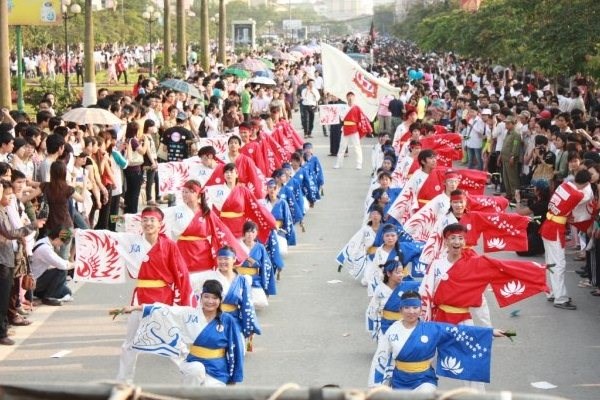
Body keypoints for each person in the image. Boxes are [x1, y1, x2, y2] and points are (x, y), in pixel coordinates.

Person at [368, 291, 507, 391]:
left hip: (424, 380)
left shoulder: (432, 328)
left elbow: (459, 331)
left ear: (421, 309)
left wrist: (489, 333)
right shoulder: (392, 330)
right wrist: (375, 385)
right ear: (400, 309)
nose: (411, 311)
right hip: (399, 380)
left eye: (415, 307)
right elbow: (380, 357)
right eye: (407, 308)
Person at [116, 206, 194, 383]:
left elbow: (181, 274)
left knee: (174, 341)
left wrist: (184, 302)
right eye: (145, 220)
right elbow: (110, 238)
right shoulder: (133, 243)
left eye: (152, 220)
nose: (148, 223)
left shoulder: (169, 246)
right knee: (130, 343)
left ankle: (195, 376)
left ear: (160, 224)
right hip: (140, 296)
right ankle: (123, 382)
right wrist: (81, 235)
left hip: (162, 297)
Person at [122, 279, 244, 386]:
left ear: (220, 300)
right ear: (200, 297)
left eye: (214, 298)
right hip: (193, 361)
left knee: (210, 392)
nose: (210, 301)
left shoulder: (227, 320)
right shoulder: (189, 314)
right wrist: (135, 308)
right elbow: (164, 310)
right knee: (197, 370)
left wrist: (235, 376)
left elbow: (236, 348)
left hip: (218, 368)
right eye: (206, 296)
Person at [162, 180, 247, 275]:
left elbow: (223, 231)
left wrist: (238, 253)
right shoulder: (175, 211)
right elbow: (158, 218)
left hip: (202, 253)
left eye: (188, 192)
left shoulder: (207, 212)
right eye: (183, 192)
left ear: (197, 194)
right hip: (183, 251)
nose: (184, 194)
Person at [0, 180, 46, 346]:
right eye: (7, 194)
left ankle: (3, 328)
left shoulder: (5, 210)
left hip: (8, 256)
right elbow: (10, 232)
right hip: (3, 260)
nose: (10, 197)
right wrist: (33, 226)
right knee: (4, 298)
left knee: (7, 296)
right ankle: (2, 332)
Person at [540, 169, 593, 310]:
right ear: (587, 182)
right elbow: (588, 197)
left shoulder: (564, 185)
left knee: (550, 263)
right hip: (555, 228)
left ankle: (552, 292)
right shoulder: (578, 194)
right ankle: (560, 298)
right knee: (558, 264)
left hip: (549, 224)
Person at [192, 246, 261, 342]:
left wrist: (250, 327)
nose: (222, 262)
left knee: (236, 349)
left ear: (234, 259)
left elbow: (247, 305)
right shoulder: (208, 276)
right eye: (220, 259)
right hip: (211, 319)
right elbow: (186, 282)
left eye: (226, 259)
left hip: (233, 320)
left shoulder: (242, 280)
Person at [205, 163, 276, 242]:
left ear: (237, 174)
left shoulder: (243, 190)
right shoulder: (215, 190)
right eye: (226, 172)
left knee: (240, 249)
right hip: (224, 224)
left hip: (240, 225)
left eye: (231, 172)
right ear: (223, 175)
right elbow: (202, 193)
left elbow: (256, 206)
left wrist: (270, 220)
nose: (229, 174)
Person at [31, 227, 74, 306]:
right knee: (61, 271)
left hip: (40, 278)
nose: (61, 245)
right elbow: (62, 265)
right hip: (34, 281)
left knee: (67, 292)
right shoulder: (45, 248)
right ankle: (49, 297)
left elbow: (58, 262)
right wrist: (74, 264)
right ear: (57, 239)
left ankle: (44, 294)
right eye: (62, 243)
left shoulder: (44, 242)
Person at [238, 221, 276, 307]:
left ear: (256, 233)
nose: (250, 234)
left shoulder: (260, 247)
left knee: (260, 302)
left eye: (253, 232)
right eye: (247, 231)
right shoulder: (238, 245)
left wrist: (266, 285)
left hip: (254, 277)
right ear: (244, 232)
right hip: (239, 276)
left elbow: (267, 265)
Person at [334, 92, 372, 170]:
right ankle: (338, 163)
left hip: (354, 129)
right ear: (346, 98)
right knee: (342, 146)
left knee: (357, 146)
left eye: (352, 96)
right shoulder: (343, 107)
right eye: (349, 96)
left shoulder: (357, 107)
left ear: (354, 97)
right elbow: (342, 118)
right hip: (345, 128)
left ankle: (359, 164)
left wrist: (367, 127)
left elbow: (362, 118)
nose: (350, 98)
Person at [500, 116, 522, 201]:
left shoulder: (516, 134)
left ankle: (514, 196)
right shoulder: (508, 133)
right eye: (506, 123)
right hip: (505, 158)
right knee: (506, 178)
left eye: (508, 123)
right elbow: (505, 145)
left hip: (510, 159)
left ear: (513, 124)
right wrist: (500, 155)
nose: (506, 125)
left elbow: (515, 146)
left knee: (513, 179)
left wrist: (513, 156)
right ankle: (509, 194)